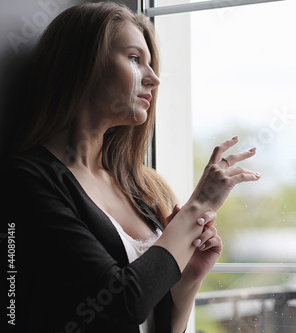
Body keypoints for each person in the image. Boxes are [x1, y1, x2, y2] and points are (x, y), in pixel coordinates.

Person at [2, 2, 261, 333]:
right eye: (135, 59)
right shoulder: (26, 181)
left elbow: (154, 322)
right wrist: (197, 206)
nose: (153, 79)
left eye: (151, 65)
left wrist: (186, 282)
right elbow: (119, 304)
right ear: (83, 64)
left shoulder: (141, 187)